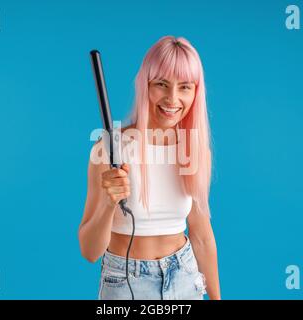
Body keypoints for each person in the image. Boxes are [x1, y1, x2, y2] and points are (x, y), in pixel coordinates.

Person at [79, 36, 221, 300]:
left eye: (185, 87)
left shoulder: (195, 149)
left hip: (185, 279)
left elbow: (201, 236)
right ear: (145, 85)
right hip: (125, 282)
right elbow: (89, 251)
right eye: (162, 84)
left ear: (196, 92)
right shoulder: (109, 148)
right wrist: (110, 203)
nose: (173, 98)